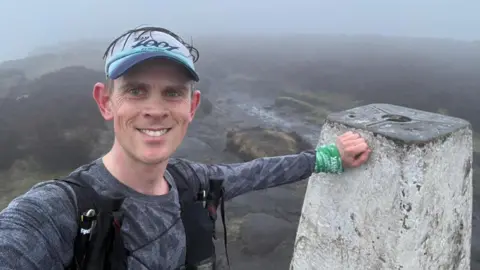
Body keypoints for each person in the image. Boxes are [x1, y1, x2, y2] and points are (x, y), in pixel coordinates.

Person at [0, 26, 371, 270]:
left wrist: (327, 157)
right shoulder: (56, 212)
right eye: (136, 89)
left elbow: (257, 172)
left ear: (191, 107)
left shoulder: (192, 181)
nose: (156, 109)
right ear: (106, 102)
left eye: (173, 92)